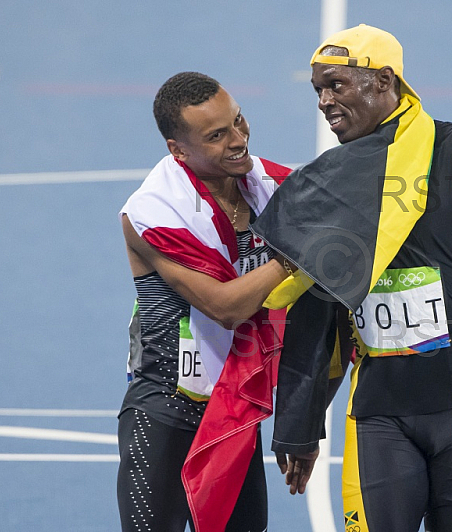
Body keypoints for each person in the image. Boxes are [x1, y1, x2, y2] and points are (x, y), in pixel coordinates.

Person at [253, 25, 452, 532]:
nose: (325, 101)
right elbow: (321, 308)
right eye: (318, 90)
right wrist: (302, 422)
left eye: (336, 85)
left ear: (383, 80)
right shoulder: (330, 180)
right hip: (382, 412)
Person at [116, 71, 328, 532]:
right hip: (165, 410)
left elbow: (320, 307)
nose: (239, 140)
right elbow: (227, 308)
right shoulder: (151, 213)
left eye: (238, 120)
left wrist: (301, 425)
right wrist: (301, 253)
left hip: (235, 407)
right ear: (178, 151)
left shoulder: (273, 188)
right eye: (217, 136)